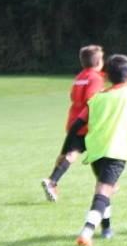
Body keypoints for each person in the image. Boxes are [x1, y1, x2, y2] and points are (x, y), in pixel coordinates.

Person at [59, 54, 127, 246]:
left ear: (107, 77)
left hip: (95, 151)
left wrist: (63, 152)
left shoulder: (96, 99)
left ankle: (107, 229)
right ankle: (86, 232)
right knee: (103, 190)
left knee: (104, 188)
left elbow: (76, 126)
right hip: (116, 152)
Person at [41, 45, 106, 202]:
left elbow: (73, 96)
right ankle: (106, 184)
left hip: (74, 121)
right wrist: (104, 95)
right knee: (99, 152)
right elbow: (91, 98)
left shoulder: (79, 77)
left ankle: (52, 181)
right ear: (98, 62)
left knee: (71, 155)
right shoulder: (95, 78)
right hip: (88, 123)